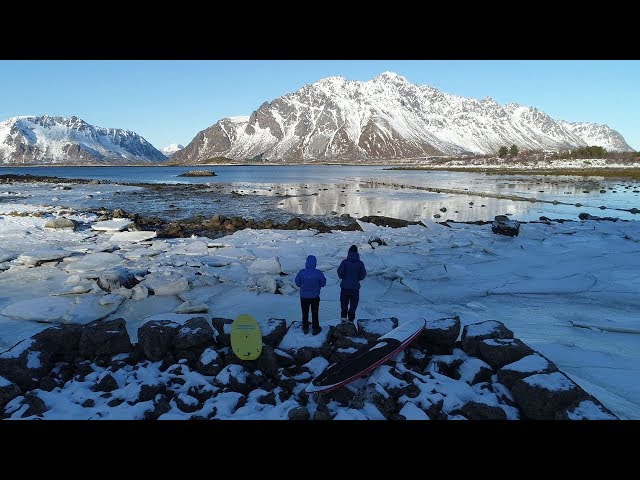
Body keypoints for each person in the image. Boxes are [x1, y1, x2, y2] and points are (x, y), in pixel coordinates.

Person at [294, 255, 327, 335]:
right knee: (315, 312)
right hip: (315, 297)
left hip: (304, 297)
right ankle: (315, 329)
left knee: (305, 312)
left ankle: (305, 328)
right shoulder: (318, 273)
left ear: (306, 263)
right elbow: (323, 283)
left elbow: (297, 283)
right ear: (315, 263)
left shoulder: (302, 272)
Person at [337, 245, 367, 322]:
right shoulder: (360, 263)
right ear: (357, 252)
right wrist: (357, 279)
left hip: (345, 287)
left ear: (349, 252)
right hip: (355, 287)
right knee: (353, 305)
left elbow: (340, 274)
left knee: (344, 304)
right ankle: (351, 320)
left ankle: (343, 319)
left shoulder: (344, 262)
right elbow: (363, 275)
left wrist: (344, 277)